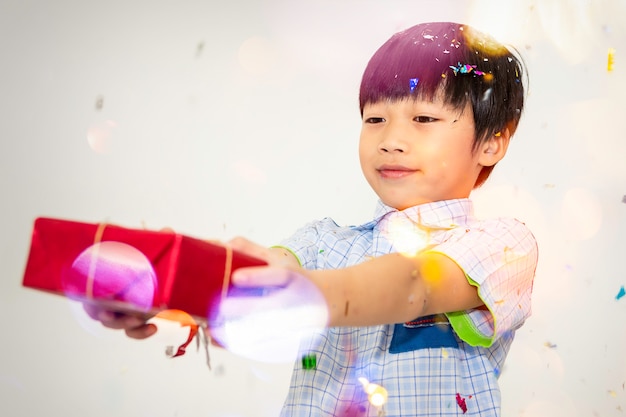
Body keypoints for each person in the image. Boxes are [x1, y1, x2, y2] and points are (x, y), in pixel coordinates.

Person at [85, 21, 538, 416]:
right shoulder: (322, 243)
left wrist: (306, 293)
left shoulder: (503, 245)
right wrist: (163, 282)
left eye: (423, 117)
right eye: (375, 118)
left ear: (491, 143)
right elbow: (255, 279)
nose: (392, 139)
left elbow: (415, 284)